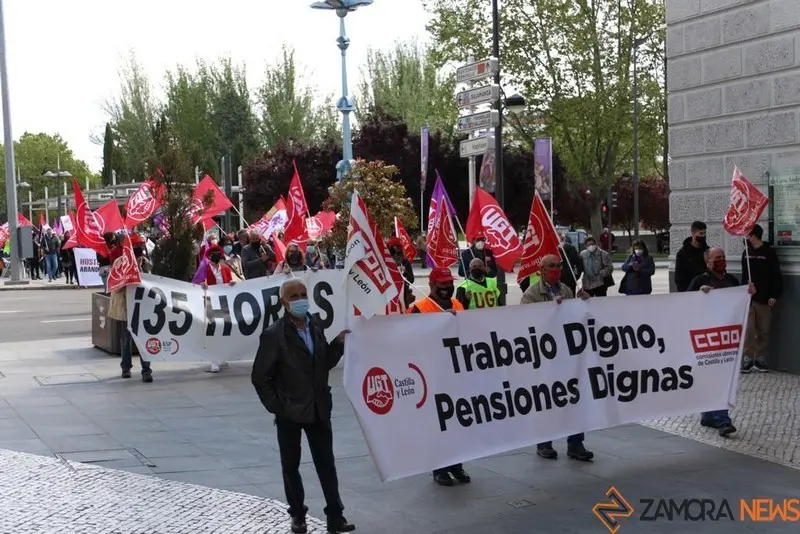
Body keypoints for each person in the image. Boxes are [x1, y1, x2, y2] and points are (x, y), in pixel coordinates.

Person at [252, 278, 354, 534]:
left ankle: (335, 515)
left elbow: (322, 362)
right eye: (294, 296)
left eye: (303, 294)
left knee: (326, 464)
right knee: (291, 466)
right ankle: (297, 515)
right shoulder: (274, 335)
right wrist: (278, 407)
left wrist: (338, 346)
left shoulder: (315, 324)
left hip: (319, 408)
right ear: (284, 303)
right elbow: (260, 377)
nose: (300, 300)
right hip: (290, 412)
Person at [520, 254, 593, 460]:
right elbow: (526, 321)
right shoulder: (532, 294)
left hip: (566, 353)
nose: (556, 269)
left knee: (574, 398)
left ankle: (576, 443)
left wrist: (583, 303)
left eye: (559, 265)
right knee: (548, 399)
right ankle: (544, 443)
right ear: (541, 270)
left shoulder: (567, 290)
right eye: (551, 265)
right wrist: (550, 308)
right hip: (545, 356)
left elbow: (575, 318)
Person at [407, 268, 472, 487]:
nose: (447, 288)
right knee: (439, 423)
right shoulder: (418, 309)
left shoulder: (458, 305)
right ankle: (439, 467)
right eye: (442, 284)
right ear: (432, 286)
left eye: (449, 283)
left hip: (455, 372)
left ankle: (456, 464)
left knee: (457, 421)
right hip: (432, 374)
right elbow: (411, 341)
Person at [688, 247, 756, 436]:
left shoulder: (731, 281)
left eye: (724, 257)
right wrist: (699, 295)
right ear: (708, 262)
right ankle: (723, 420)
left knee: (720, 378)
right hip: (707, 339)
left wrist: (748, 293)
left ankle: (709, 415)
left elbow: (740, 305)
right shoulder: (700, 281)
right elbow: (685, 304)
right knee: (717, 378)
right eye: (717, 258)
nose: (722, 261)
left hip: (727, 339)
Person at [108, 236, 153, 383]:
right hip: (126, 307)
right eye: (136, 245)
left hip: (142, 307)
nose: (140, 248)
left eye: (141, 245)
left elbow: (152, 282)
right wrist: (126, 278)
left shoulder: (146, 263)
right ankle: (126, 367)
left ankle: (146, 370)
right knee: (126, 339)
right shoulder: (119, 263)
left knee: (143, 339)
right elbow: (114, 285)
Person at [741, 224, 782, 373]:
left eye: (748, 234)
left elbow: (776, 276)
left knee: (763, 329)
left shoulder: (769, 253)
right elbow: (745, 274)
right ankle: (747, 357)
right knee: (749, 330)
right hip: (750, 298)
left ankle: (759, 358)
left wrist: (774, 295)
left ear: (755, 235)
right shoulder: (746, 252)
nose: (746, 237)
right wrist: (745, 288)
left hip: (764, 298)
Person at [200, 244, 237, 374]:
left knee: (224, 329)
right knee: (213, 329)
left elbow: (230, 282)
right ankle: (214, 361)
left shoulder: (226, 269)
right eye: (213, 253)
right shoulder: (204, 268)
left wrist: (232, 284)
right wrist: (202, 284)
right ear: (209, 256)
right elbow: (195, 283)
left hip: (224, 302)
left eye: (218, 253)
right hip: (210, 302)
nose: (216, 255)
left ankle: (221, 356)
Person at [674, 221, 709, 292]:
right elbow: (679, 277)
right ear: (693, 233)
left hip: (707, 290)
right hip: (690, 291)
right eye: (701, 233)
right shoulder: (682, 253)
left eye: (704, 233)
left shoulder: (708, 250)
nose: (703, 236)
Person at [387, 238, 415, 306]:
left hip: (403, 296)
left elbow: (411, 280)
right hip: (388, 297)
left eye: (396, 247)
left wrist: (405, 271)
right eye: (390, 247)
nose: (394, 250)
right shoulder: (385, 260)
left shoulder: (404, 261)